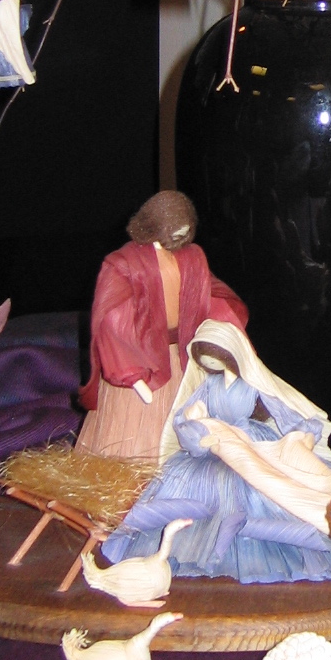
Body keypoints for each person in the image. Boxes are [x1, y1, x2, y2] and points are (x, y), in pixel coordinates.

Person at [96, 319, 331, 583]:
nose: (210, 364)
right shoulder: (209, 385)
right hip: (212, 441)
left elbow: (282, 410)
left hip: (248, 440)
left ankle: (260, 546)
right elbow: (184, 417)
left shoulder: (251, 384)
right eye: (206, 359)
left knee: (258, 484)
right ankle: (195, 545)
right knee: (197, 485)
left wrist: (302, 432)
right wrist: (197, 435)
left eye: (215, 357)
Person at [76, 191, 246, 462]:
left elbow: (210, 299)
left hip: (182, 357)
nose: (181, 234)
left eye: (186, 228)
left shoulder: (192, 258)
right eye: (176, 227)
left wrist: (228, 343)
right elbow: (112, 320)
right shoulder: (124, 264)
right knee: (133, 437)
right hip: (139, 359)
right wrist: (130, 372)